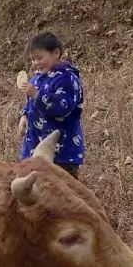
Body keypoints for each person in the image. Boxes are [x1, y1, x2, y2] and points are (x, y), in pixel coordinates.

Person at [15, 32, 86, 177]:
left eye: (40, 58)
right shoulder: (37, 78)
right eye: (33, 59)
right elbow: (31, 104)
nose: (36, 63)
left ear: (56, 53)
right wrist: (24, 116)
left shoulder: (67, 79)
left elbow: (62, 108)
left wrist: (36, 95)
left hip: (62, 151)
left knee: (63, 189)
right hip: (35, 145)